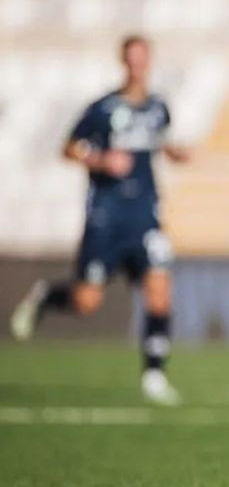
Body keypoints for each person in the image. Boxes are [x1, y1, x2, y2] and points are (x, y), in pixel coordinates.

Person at [10, 35, 189, 406]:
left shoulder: (158, 108)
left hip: (145, 217)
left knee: (160, 290)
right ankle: (48, 296)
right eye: (131, 59)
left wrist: (174, 153)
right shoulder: (103, 108)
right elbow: (68, 147)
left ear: (149, 61)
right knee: (86, 301)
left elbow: (159, 142)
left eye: (142, 58)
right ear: (124, 62)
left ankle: (154, 375)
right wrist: (101, 160)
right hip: (106, 218)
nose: (137, 65)